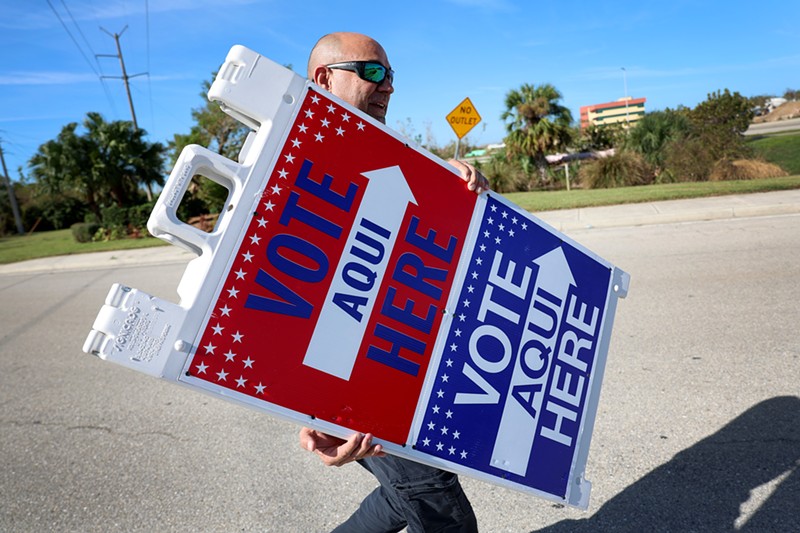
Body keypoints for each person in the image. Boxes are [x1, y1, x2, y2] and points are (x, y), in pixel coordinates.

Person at [299, 32, 486, 533]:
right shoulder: (297, 157)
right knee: (443, 514)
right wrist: (315, 411)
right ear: (325, 78)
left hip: (399, 370)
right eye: (374, 73)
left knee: (404, 494)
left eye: (391, 76)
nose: (388, 87)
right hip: (353, 392)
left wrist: (451, 185)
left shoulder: (383, 146)